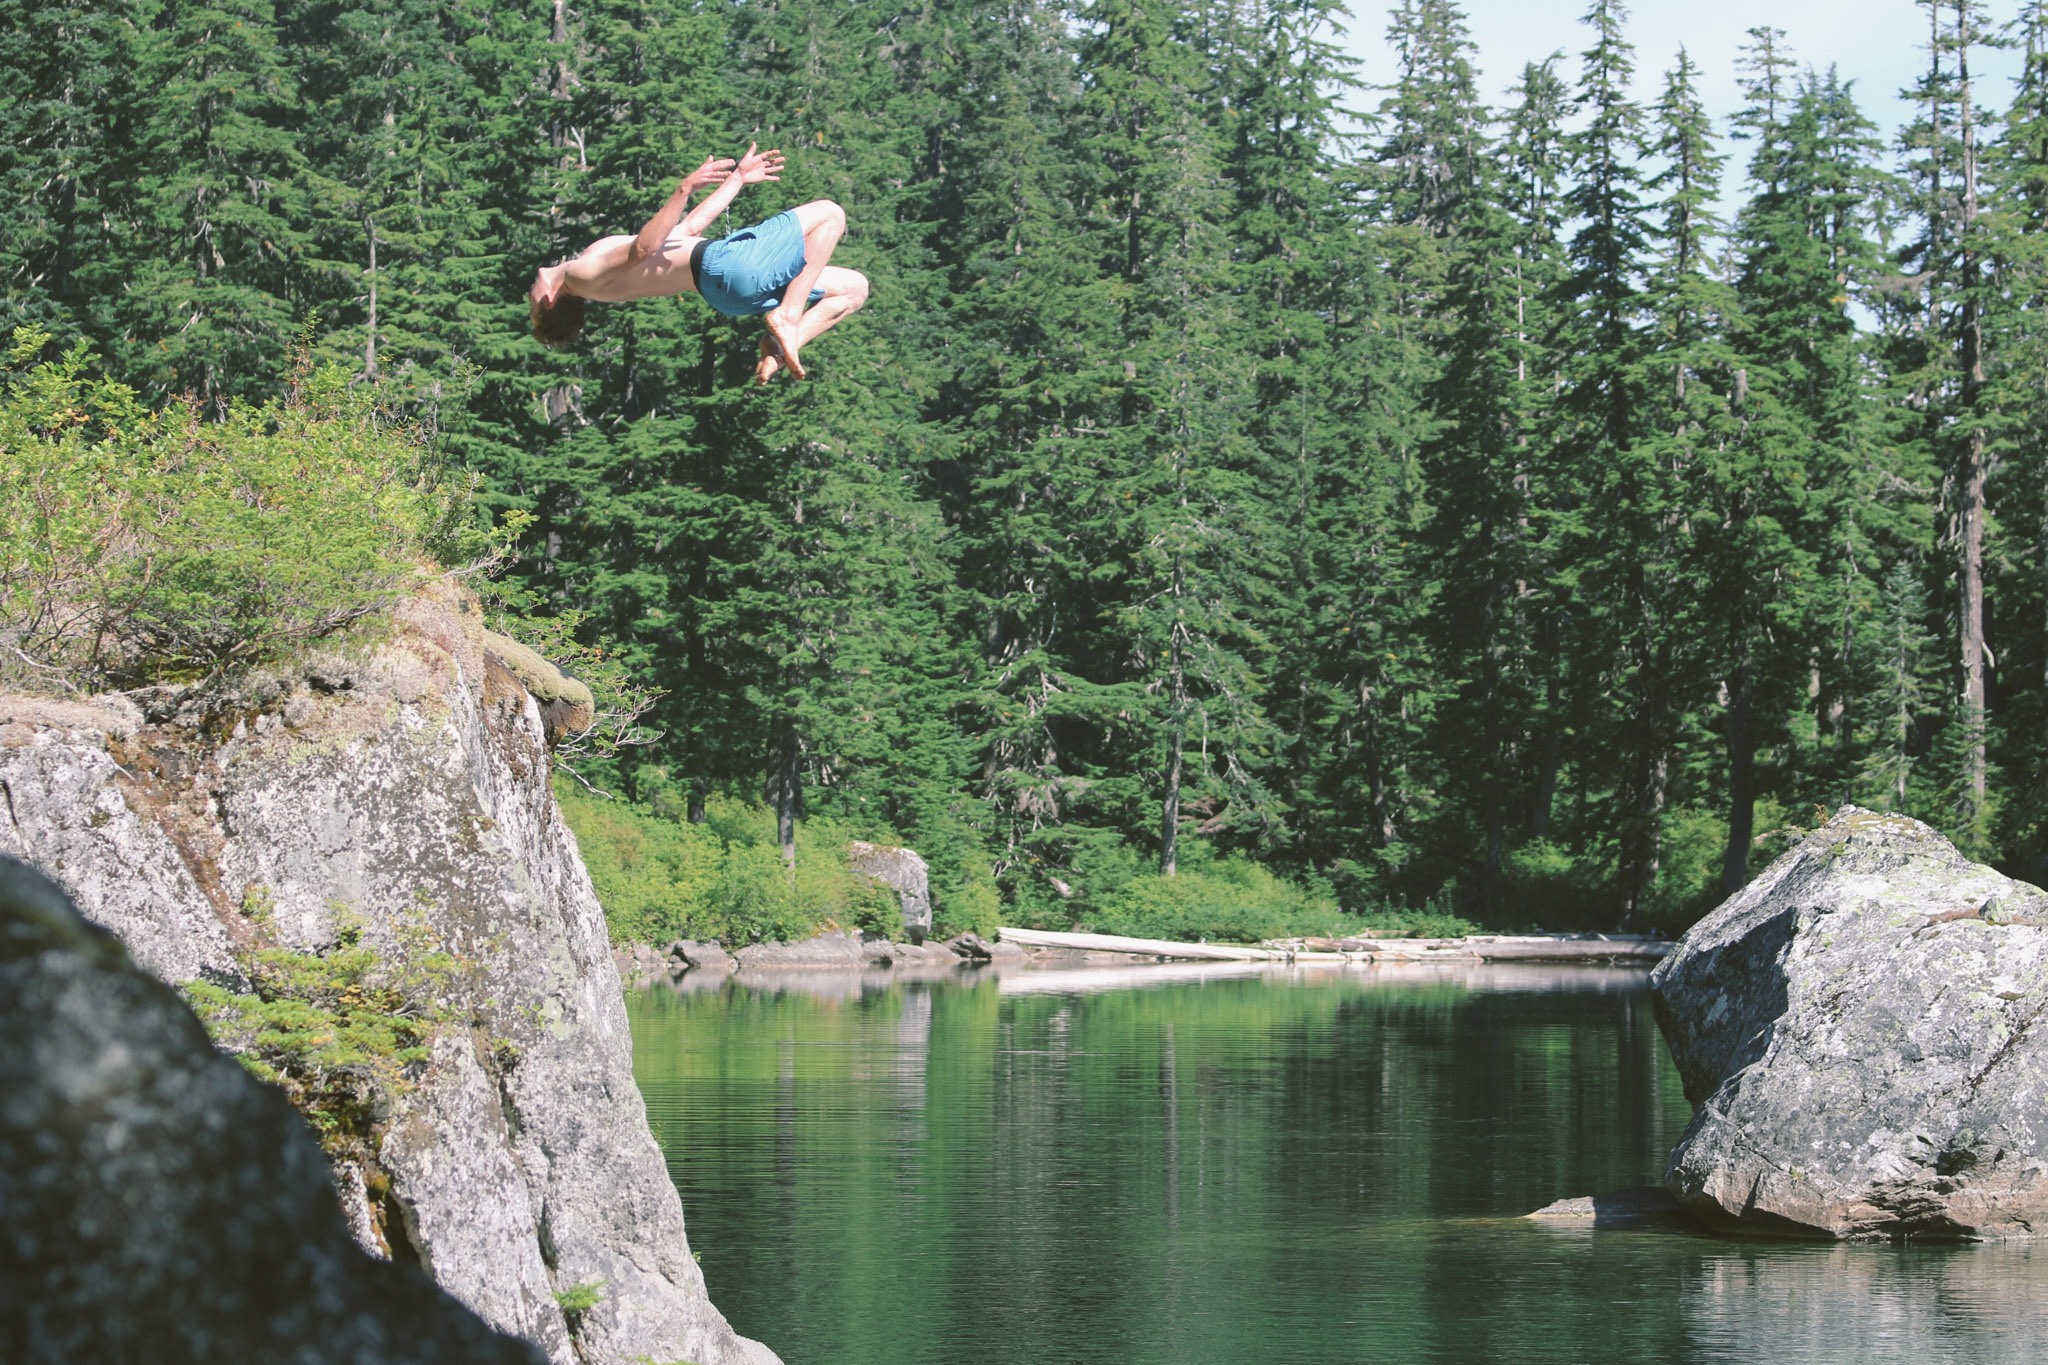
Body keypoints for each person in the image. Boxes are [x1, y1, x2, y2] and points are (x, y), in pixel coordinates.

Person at [528, 142, 869, 384]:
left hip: (726, 295)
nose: (528, 298)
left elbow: (688, 229)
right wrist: (683, 188)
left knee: (854, 289)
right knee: (830, 213)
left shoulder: (590, 269)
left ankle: (778, 352)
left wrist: (736, 179)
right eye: (532, 309)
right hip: (724, 265)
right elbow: (644, 249)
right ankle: (787, 317)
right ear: (550, 300)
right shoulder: (579, 275)